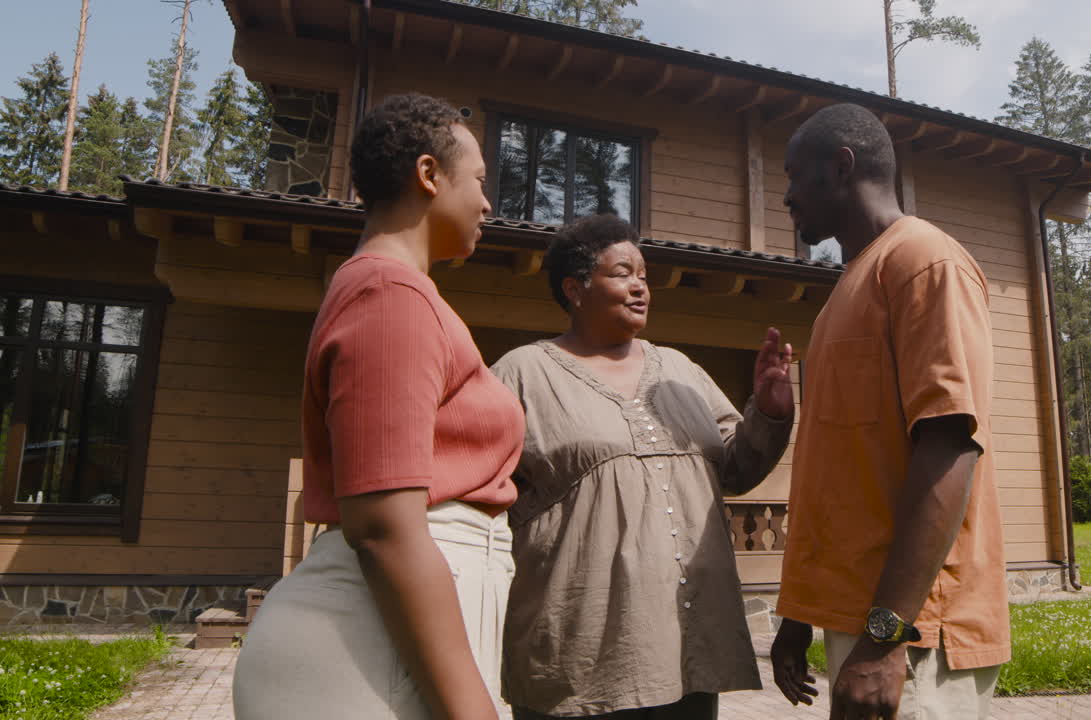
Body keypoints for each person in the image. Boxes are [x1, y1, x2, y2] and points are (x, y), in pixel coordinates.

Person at [233, 93, 524, 720]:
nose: (487, 202)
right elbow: (385, 528)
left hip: (388, 649)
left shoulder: (391, 291)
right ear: (428, 175)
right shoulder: (390, 295)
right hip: (370, 656)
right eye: (478, 180)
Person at [491, 213, 795, 719]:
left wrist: (768, 411)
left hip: (686, 654)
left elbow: (736, 469)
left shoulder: (679, 370)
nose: (640, 288)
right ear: (575, 288)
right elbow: (478, 491)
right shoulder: (523, 373)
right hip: (581, 657)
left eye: (644, 277)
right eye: (622, 273)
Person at [769, 103, 1010, 720]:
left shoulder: (925, 263)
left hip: (914, 636)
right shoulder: (848, 289)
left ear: (842, 167)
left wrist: (884, 640)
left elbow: (950, 447)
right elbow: (842, 475)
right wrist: (799, 615)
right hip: (867, 624)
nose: (787, 195)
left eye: (796, 175)